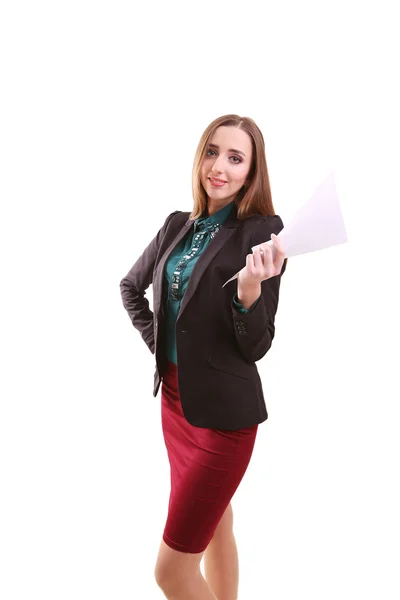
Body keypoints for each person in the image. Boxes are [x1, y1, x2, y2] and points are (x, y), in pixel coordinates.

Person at [120, 114, 287, 600]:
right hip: (175, 403)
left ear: (251, 173)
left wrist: (249, 292)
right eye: (212, 152)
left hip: (224, 419)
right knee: (216, 523)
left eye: (235, 158)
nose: (219, 166)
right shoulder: (177, 224)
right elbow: (131, 287)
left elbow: (258, 345)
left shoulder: (261, 232)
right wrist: (162, 344)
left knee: (170, 572)